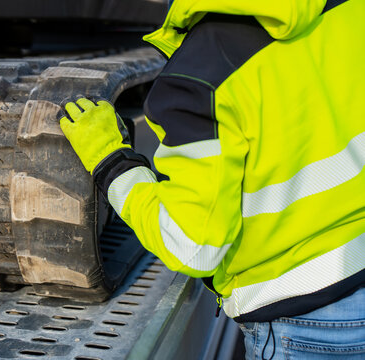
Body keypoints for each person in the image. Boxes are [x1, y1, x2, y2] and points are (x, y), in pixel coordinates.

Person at [58, 0, 365, 358]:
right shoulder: (348, 11)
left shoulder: (201, 74)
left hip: (301, 323)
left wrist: (112, 163)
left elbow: (194, 247)